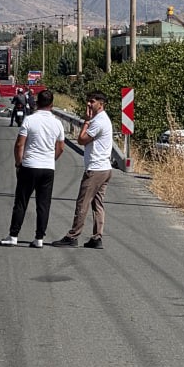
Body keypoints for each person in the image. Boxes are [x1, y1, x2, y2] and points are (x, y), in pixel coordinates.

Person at [1, 89, 65, 248]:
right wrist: (51, 159)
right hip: (48, 168)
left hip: (29, 166)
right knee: (43, 204)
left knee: (21, 202)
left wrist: (18, 163)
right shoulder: (57, 123)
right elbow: (61, 147)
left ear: (37, 102)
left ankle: (13, 235)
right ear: (52, 104)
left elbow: (19, 144)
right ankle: (39, 238)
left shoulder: (29, 120)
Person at [53, 90, 113, 249]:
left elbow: (81, 140)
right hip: (104, 168)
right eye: (88, 101)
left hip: (96, 169)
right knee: (98, 204)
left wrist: (86, 121)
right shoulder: (101, 119)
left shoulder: (99, 121)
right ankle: (97, 237)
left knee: (82, 203)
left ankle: (73, 236)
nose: (88, 104)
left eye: (92, 101)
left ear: (101, 104)